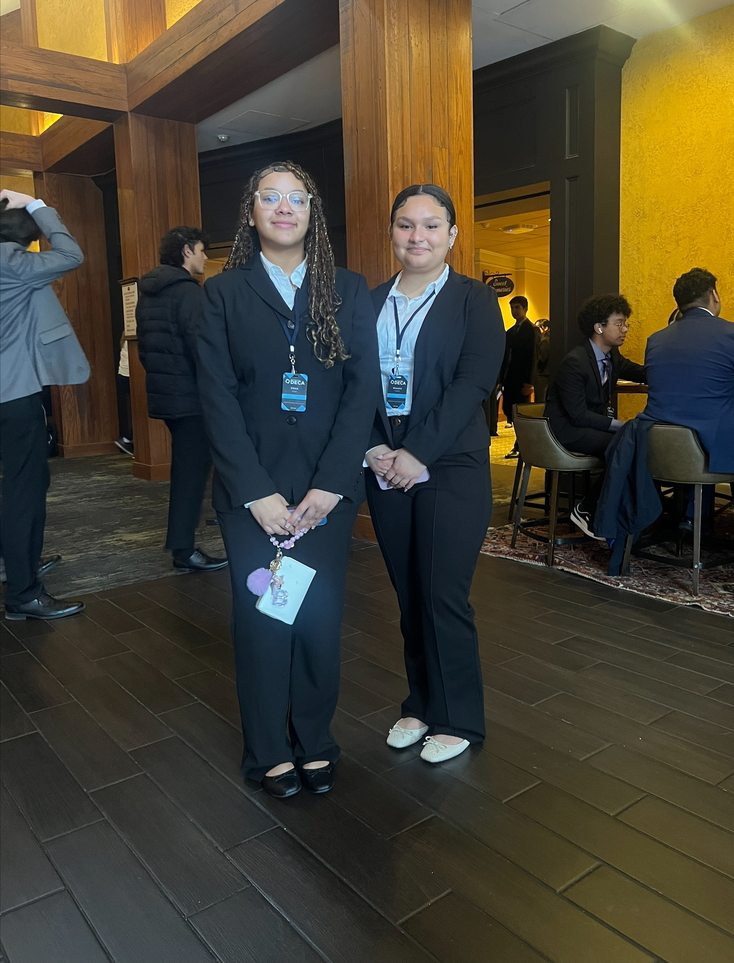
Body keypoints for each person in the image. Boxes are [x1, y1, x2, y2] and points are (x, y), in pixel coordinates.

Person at [195, 161, 379, 798]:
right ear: (251, 213)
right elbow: (215, 398)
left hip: (324, 492)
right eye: (268, 196)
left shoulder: (349, 290)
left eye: (295, 198)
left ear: (312, 213)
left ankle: (315, 741)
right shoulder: (221, 293)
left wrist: (332, 485)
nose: (282, 207)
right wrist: (256, 493)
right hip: (255, 494)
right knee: (264, 621)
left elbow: (362, 394)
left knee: (319, 621)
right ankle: (268, 750)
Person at [364, 184, 505, 764]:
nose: (416, 236)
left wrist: (417, 452)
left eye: (430, 225)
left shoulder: (475, 300)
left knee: (443, 593)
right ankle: (419, 703)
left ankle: (459, 718)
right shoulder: (368, 300)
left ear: (451, 235)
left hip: (452, 463)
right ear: (393, 232)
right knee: (408, 593)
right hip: (383, 466)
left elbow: (473, 384)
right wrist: (373, 448)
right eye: (405, 225)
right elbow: (353, 387)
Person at [0, 189, 89, 620]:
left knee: (15, 488)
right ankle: (22, 594)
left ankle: (18, 565)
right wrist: (36, 204)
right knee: (25, 491)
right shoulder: (13, 263)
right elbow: (72, 254)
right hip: (13, 395)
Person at [643, 268, 734, 547]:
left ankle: (693, 517)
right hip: (720, 443)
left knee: (700, 424)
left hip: (664, 447)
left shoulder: (656, 339)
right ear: (714, 295)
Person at [136, 227, 227, 573]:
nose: (205, 257)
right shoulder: (188, 293)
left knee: (187, 469)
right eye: (202, 250)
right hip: (192, 398)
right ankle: (183, 549)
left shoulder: (151, 292)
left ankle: (183, 544)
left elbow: (145, 348)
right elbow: (202, 349)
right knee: (191, 473)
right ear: (187, 250)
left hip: (168, 397)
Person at [545, 293, 646, 537]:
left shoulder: (612, 356)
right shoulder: (575, 362)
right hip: (564, 430)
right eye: (619, 323)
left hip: (588, 427)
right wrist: (621, 425)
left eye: (625, 323)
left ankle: (617, 512)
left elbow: (639, 372)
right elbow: (578, 416)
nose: (625, 329)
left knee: (631, 443)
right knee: (625, 444)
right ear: (599, 327)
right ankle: (587, 509)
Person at [500, 295, 537, 458]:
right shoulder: (510, 332)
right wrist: (501, 380)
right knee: (509, 409)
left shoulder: (531, 330)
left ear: (525, 309)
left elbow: (533, 357)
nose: (514, 311)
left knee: (521, 412)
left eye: (517, 308)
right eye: (512, 308)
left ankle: (521, 444)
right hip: (510, 379)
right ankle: (520, 443)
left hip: (522, 379)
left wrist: (530, 382)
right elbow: (505, 357)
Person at [114, 331, 133, 455]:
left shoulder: (125, 338)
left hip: (123, 376)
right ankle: (130, 439)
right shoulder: (135, 340)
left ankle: (128, 438)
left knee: (134, 411)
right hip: (131, 377)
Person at [533, 318, 550, 402]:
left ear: (545, 328)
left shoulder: (544, 341)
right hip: (547, 374)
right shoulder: (552, 339)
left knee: (540, 400)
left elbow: (542, 358)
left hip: (542, 375)